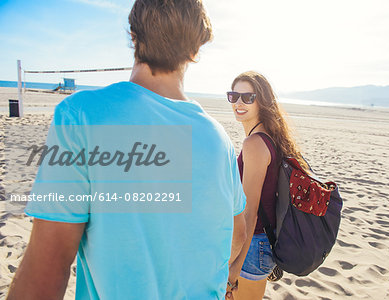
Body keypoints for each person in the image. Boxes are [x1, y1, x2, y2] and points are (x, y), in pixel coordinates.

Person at [7, 1, 247, 299]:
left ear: (133, 35)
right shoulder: (219, 139)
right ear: (196, 51)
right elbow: (238, 234)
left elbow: (48, 265)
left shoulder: (82, 115)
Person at [227, 71, 310, 300]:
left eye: (248, 97)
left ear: (261, 101)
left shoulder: (254, 143)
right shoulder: (267, 137)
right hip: (260, 244)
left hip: (252, 247)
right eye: (233, 96)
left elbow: (250, 213)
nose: (239, 103)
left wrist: (234, 269)